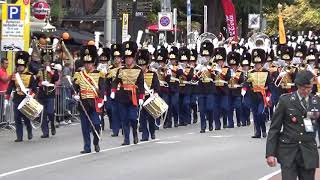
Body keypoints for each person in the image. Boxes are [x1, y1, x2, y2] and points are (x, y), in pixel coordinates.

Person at [266, 70, 319, 180]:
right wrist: (270, 153)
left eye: (309, 88)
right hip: (289, 151)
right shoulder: (286, 100)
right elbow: (274, 128)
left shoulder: (316, 101)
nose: (306, 91)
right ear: (298, 86)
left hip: (308, 151)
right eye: (303, 88)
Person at [111, 41, 144, 145]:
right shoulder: (120, 70)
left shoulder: (138, 70)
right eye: (126, 58)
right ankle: (126, 139)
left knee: (133, 118)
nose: (128, 59)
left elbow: (141, 84)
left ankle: (134, 133)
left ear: (133, 58)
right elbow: (116, 81)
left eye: (130, 57)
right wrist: (113, 91)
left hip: (133, 96)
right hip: (122, 96)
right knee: (124, 119)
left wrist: (141, 97)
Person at [73, 45, 105, 153]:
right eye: (86, 63)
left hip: (95, 103)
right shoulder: (79, 74)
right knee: (85, 128)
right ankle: (87, 147)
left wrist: (100, 101)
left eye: (90, 63)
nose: (88, 65)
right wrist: (75, 95)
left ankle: (95, 142)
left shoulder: (99, 74)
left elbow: (102, 89)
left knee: (96, 124)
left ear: (93, 62)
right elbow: (75, 88)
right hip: (83, 103)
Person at [6, 51, 37, 142]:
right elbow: (11, 86)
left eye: (21, 66)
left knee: (26, 117)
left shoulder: (30, 76)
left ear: (24, 66)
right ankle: (19, 136)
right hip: (17, 98)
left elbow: (35, 89)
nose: (19, 67)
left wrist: (31, 96)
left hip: (26, 98)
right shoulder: (15, 75)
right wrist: (7, 96)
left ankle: (29, 131)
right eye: (18, 66)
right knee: (17, 117)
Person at [137, 49, 160, 141]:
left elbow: (156, 86)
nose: (141, 66)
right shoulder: (137, 74)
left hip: (150, 97)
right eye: (140, 64)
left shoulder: (152, 73)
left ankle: (152, 131)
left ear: (146, 64)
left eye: (143, 64)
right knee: (142, 118)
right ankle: (145, 135)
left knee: (151, 117)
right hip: (141, 97)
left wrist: (155, 94)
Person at [37, 49, 59, 138]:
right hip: (42, 94)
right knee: (43, 114)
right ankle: (45, 132)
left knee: (50, 112)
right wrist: (40, 83)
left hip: (50, 94)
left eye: (48, 61)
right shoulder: (39, 70)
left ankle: (52, 125)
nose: (46, 62)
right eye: (45, 61)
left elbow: (56, 78)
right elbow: (35, 81)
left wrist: (50, 71)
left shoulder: (53, 70)